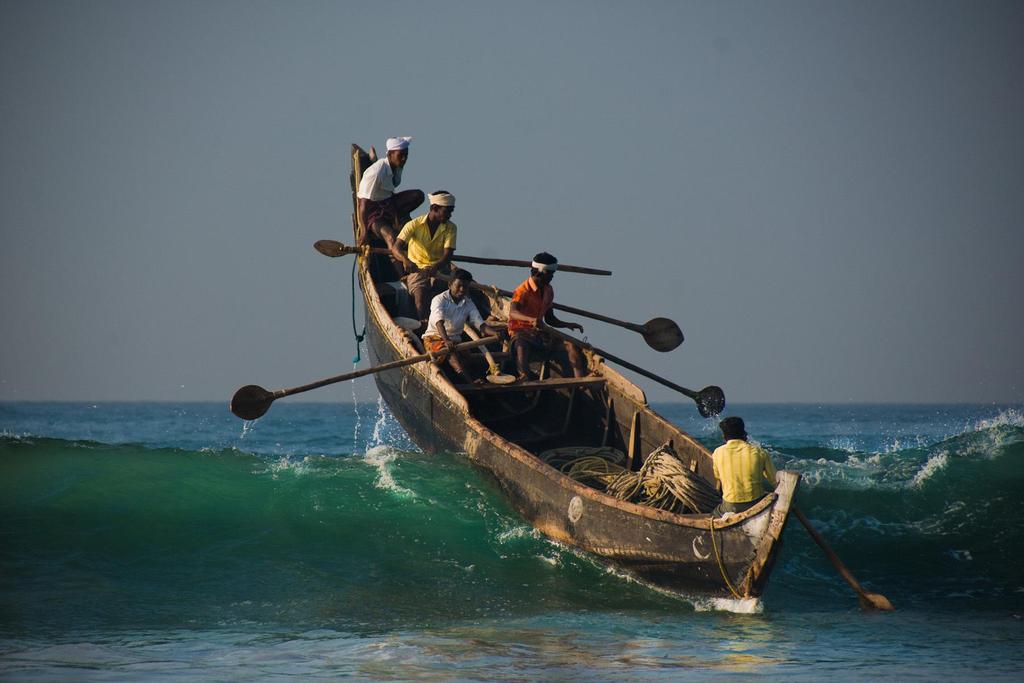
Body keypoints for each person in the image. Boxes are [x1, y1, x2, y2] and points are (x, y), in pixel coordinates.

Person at [507, 252, 586, 382]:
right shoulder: (523, 290)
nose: (552, 277)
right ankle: (524, 374)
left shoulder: (549, 290)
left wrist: (568, 324)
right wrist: (531, 320)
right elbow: (513, 312)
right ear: (540, 272)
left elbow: (550, 319)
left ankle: (580, 381)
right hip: (520, 332)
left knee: (570, 346)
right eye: (550, 274)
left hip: (539, 334)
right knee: (521, 345)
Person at [423, 269, 498, 385]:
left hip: (455, 341)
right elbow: (439, 322)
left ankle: (472, 379)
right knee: (451, 355)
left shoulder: (468, 303)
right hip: (434, 338)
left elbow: (480, 325)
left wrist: (495, 334)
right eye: (459, 286)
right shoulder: (439, 300)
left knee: (469, 359)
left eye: (465, 287)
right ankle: (470, 383)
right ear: (450, 284)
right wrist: (446, 340)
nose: (462, 290)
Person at [392, 191, 457, 322]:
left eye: (451, 212)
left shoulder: (451, 227)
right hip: (417, 270)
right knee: (420, 299)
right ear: (434, 208)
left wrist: (435, 267)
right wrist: (405, 260)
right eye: (446, 211)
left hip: (440, 269)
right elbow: (395, 248)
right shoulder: (413, 225)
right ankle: (424, 326)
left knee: (446, 298)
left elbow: (448, 255)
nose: (449, 215)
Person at [356, 136, 425, 248]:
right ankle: (400, 263)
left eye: (406, 155)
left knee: (418, 195)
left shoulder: (397, 166)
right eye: (400, 155)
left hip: (389, 203)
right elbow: (362, 204)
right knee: (392, 237)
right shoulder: (376, 173)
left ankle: (398, 219)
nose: (404, 159)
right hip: (373, 213)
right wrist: (364, 232)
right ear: (390, 154)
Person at [711, 417, 778, 515]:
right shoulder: (760, 452)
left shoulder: (717, 453)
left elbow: (717, 476)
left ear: (724, 435)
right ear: (744, 432)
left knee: (714, 513)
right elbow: (775, 480)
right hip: (756, 503)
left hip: (731, 505)